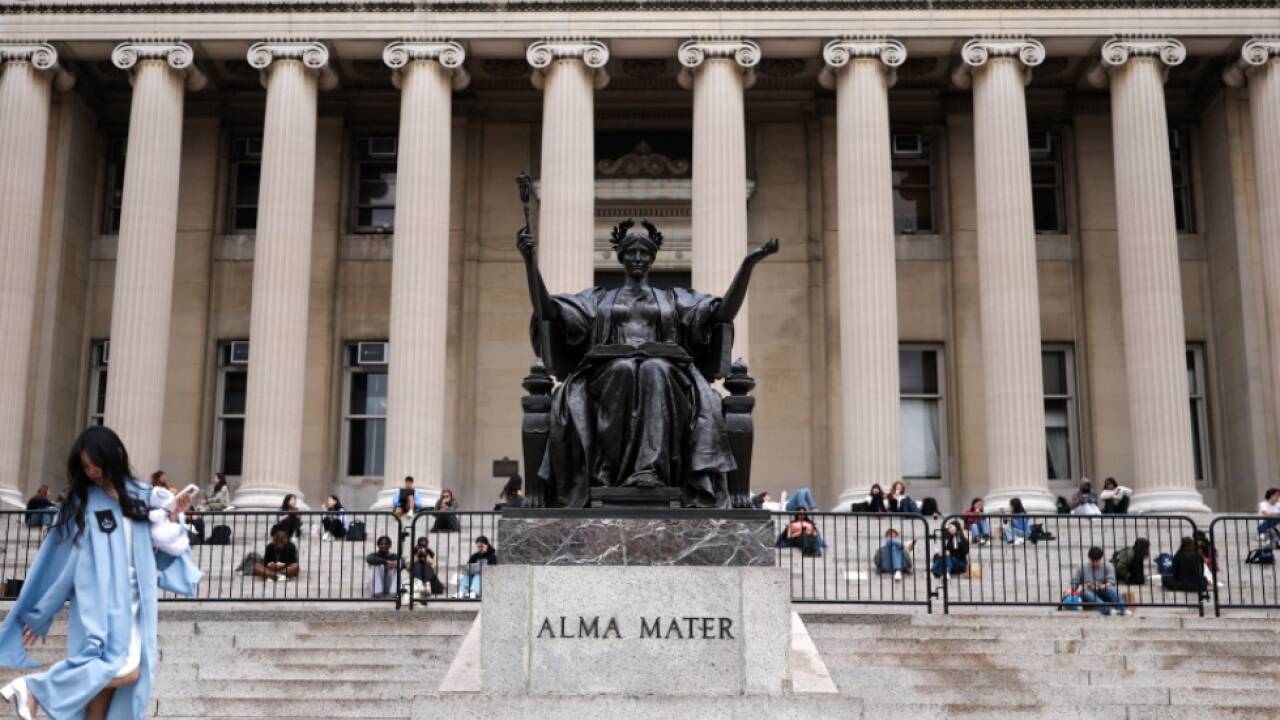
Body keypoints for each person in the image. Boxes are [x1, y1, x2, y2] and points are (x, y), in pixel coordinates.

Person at [519, 219, 779, 509]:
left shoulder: (674, 299)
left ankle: (649, 470)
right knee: (623, 368)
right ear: (621, 257)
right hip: (606, 374)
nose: (637, 258)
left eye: (644, 253)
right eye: (631, 253)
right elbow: (548, 310)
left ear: (653, 258)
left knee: (654, 368)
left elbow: (722, 313)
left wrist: (747, 266)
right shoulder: (598, 300)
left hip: (667, 374)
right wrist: (530, 263)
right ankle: (609, 472)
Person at [0, 425, 201, 720]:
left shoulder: (143, 496)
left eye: (95, 463)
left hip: (137, 602)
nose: (92, 471)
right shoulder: (83, 502)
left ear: (114, 456)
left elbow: (156, 555)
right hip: (102, 601)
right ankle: (34, 688)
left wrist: (172, 517)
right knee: (126, 670)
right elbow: (63, 564)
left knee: (110, 687)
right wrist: (42, 610)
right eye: (85, 466)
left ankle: (37, 691)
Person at [1071, 546, 1129, 616]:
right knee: (1085, 592)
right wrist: (1072, 590)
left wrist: (1099, 587)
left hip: (1103, 590)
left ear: (1101, 558)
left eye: (1097, 561)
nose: (1095, 563)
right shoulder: (1082, 566)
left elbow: (1111, 582)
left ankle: (1123, 609)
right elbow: (1075, 581)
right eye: (1093, 561)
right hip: (1089, 593)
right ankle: (1108, 611)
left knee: (1111, 589)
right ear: (1089, 558)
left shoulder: (1108, 565)